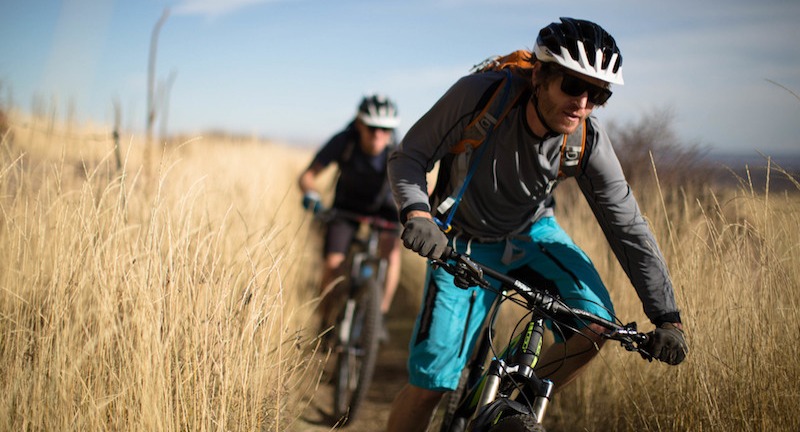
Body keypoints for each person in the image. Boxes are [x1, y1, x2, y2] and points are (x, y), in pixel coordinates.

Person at [385, 17, 688, 431]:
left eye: (598, 93)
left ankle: (507, 414)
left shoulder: (587, 140)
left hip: (532, 234)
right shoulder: (482, 96)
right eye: (573, 85)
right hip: (462, 239)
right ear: (541, 76)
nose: (583, 103)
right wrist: (419, 214)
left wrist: (667, 318)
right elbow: (410, 156)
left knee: (597, 323)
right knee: (430, 386)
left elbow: (628, 226)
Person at [298, 94, 403, 335]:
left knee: (392, 256)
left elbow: (419, 188)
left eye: (386, 129)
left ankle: (380, 316)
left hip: (384, 210)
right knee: (333, 264)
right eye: (372, 127)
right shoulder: (343, 142)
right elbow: (307, 176)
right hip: (346, 207)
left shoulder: (397, 152)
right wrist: (311, 195)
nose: (379, 134)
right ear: (359, 124)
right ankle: (324, 323)